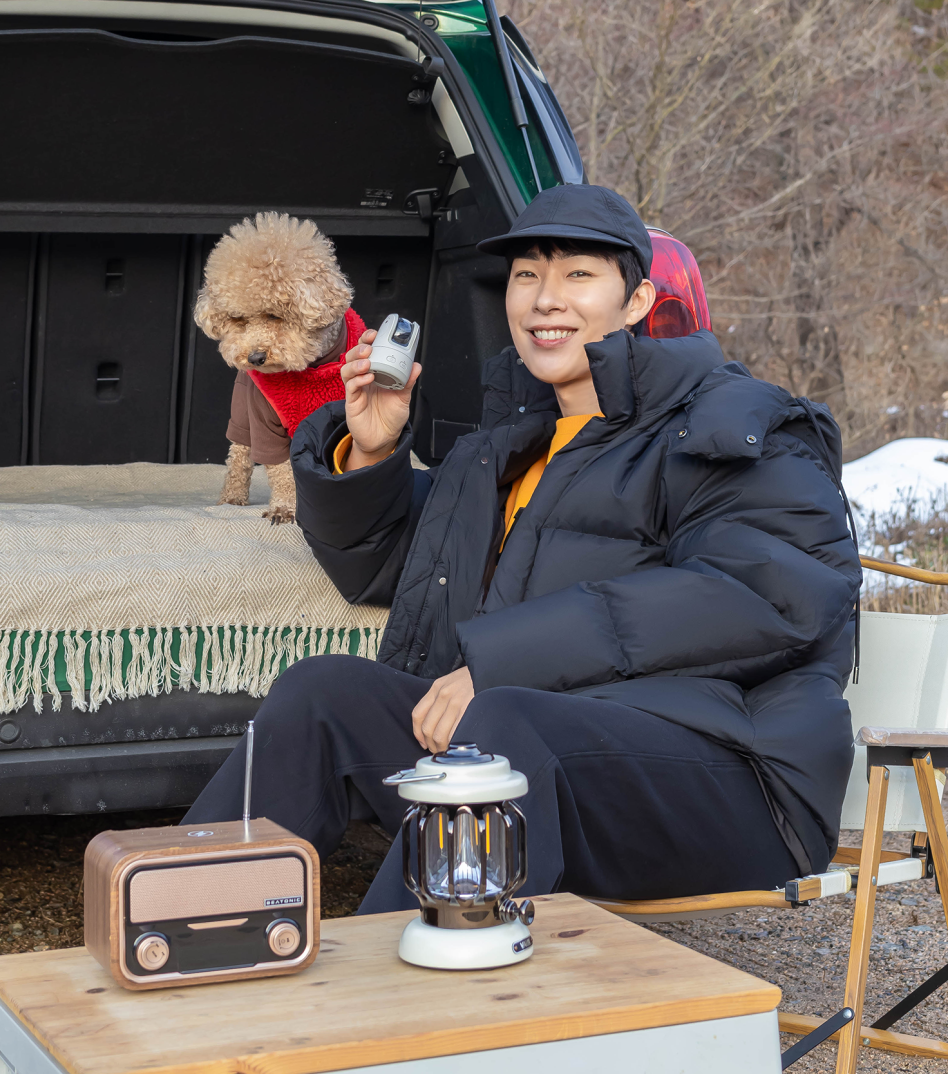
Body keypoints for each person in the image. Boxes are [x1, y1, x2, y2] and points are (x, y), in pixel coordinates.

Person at [184, 184, 861, 912]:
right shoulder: (512, 447)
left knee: (503, 725)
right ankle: (187, 930)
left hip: (732, 784)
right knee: (324, 693)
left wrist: (500, 665)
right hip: (539, 754)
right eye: (527, 276)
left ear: (635, 302)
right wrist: (370, 454)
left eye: (578, 275)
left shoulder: (734, 424)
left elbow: (767, 595)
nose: (545, 299)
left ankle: (387, 1009)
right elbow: (386, 567)